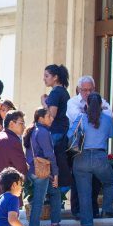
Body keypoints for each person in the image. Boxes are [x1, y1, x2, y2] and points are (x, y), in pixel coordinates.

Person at [68, 94, 113, 226]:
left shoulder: (80, 117)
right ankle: (107, 210)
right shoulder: (107, 119)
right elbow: (111, 134)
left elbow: (69, 135)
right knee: (110, 182)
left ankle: (87, 224)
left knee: (84, 192)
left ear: (87, 104)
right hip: (99, 157)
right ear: (101, 104)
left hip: (81, 158)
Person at [41, 65, 74, 217]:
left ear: (55, 77)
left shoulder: (55, 93)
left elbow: (51, 116)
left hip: (55, 133)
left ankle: (56, 197)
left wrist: (43, 103)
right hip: (63, 131)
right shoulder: (64, 92)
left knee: (52, 166)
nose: (44, 79)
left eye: (47, 76)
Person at [24, 107, 60, 226]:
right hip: (41, 172)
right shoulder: (43, 132)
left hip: (33, 171)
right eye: (48, 116)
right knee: (38, 203)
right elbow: (50, 154)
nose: (51, 118)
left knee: (55, 192)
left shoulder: (33, 130)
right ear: (41, 118)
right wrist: (55, 173)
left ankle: (55, 223)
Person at [0, 110, 27, 208]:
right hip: (8, 190)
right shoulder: (13, 141)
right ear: (11, 123)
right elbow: (22, 167)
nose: (24, 127)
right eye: (21, 123)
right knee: (8, 220)